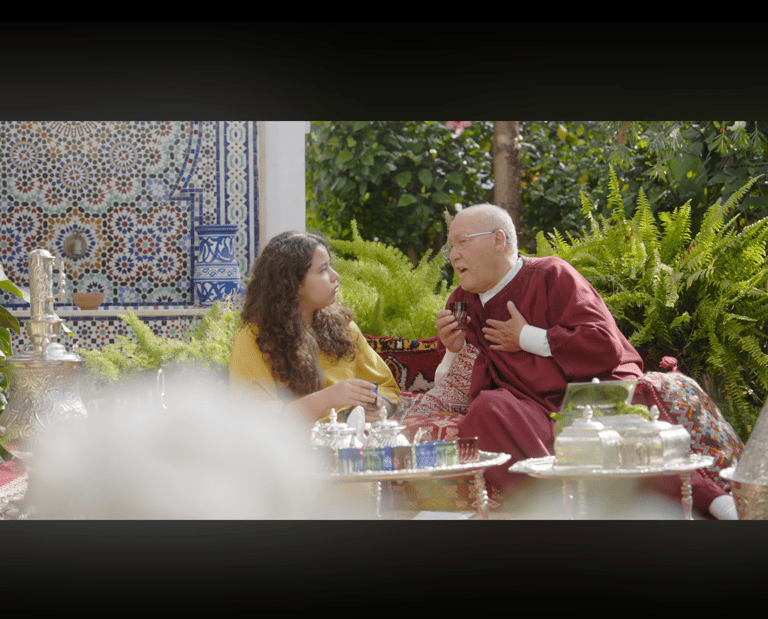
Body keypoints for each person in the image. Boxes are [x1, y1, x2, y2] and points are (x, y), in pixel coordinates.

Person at [436, 204, 734, 518]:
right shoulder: (462, 302)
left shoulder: (551, 274)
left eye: (462, 242)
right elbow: (446, 385)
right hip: (530, 408)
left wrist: (526, 337)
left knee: (613, 437)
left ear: (499, 240)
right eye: (450, 246)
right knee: (486, 411)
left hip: (588, 389)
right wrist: (453, 350)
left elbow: (604, 345)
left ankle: (719, 505)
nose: (453, 255)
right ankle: (561, 507)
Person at [229, 231, 400, 426]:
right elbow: (254, 416)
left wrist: (378, 408)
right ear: (292, 283)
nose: (335, 275)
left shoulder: (344, 328)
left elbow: (386, 388)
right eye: (323, 270)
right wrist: (326, 399)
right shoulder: (253, 338)